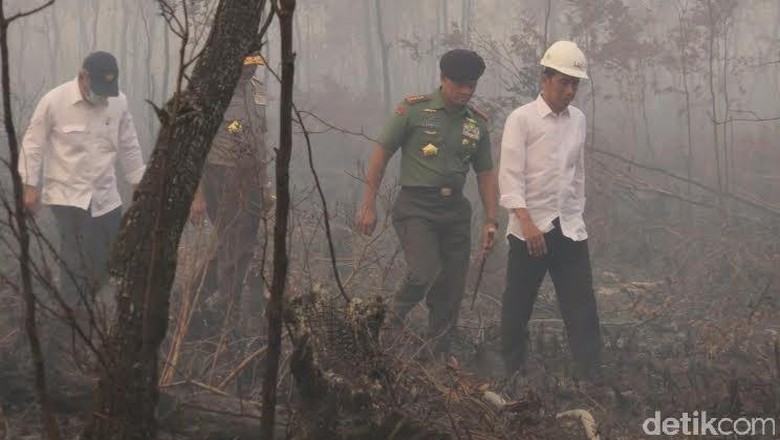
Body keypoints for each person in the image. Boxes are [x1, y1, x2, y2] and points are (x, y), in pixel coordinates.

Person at [355, 49, 499, 355]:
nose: (465, 91)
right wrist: (368, 203)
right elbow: (381, 153)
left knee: (452, 287)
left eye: (471, 85)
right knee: (425, 271)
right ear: (443, 79)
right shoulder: (414, 111)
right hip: (416, 207)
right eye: (459, 83)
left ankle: (439, 350)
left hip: (455, 212)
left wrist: (490, 218)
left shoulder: (476, 123)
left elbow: (485, 172)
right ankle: (389, 319)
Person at [498, 41, 601, 379]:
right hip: (529, 229)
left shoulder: (578, 120)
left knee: (582, 307)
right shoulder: (522, 119)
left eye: (575, 84)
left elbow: (578, 173)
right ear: (545, 78)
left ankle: (591, 377)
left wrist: (576, 213)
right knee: (518, 305)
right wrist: (527, 223)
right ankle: (512, 374)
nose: (570, 91)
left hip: (569, 228)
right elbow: (510, 177)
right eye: (563, 82)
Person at [19, 51, 146, 311]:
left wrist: (138, 182)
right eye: (98, 87)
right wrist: (29, 186)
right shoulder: (54, 101)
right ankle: (74, 321)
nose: (102, 96)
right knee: (75, 261)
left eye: (108, 89)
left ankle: (98, 306)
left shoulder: (119, 102)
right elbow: (33, 144)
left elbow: (129, 144)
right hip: (68, 197)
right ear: (83, 77)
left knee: (110, 258)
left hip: (106, 196)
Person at [188, 52, 270, 329]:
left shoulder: (258, 90)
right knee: (234, 241)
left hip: (252, 173)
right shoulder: (214, 89)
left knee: (238, 244)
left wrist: (266, 183)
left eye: (254, 66)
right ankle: (226, 306)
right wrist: (197, 193)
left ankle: (192, 298)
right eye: (246, 66)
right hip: (220, 172)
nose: (250, 72)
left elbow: (260, 135)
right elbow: (196, 143)